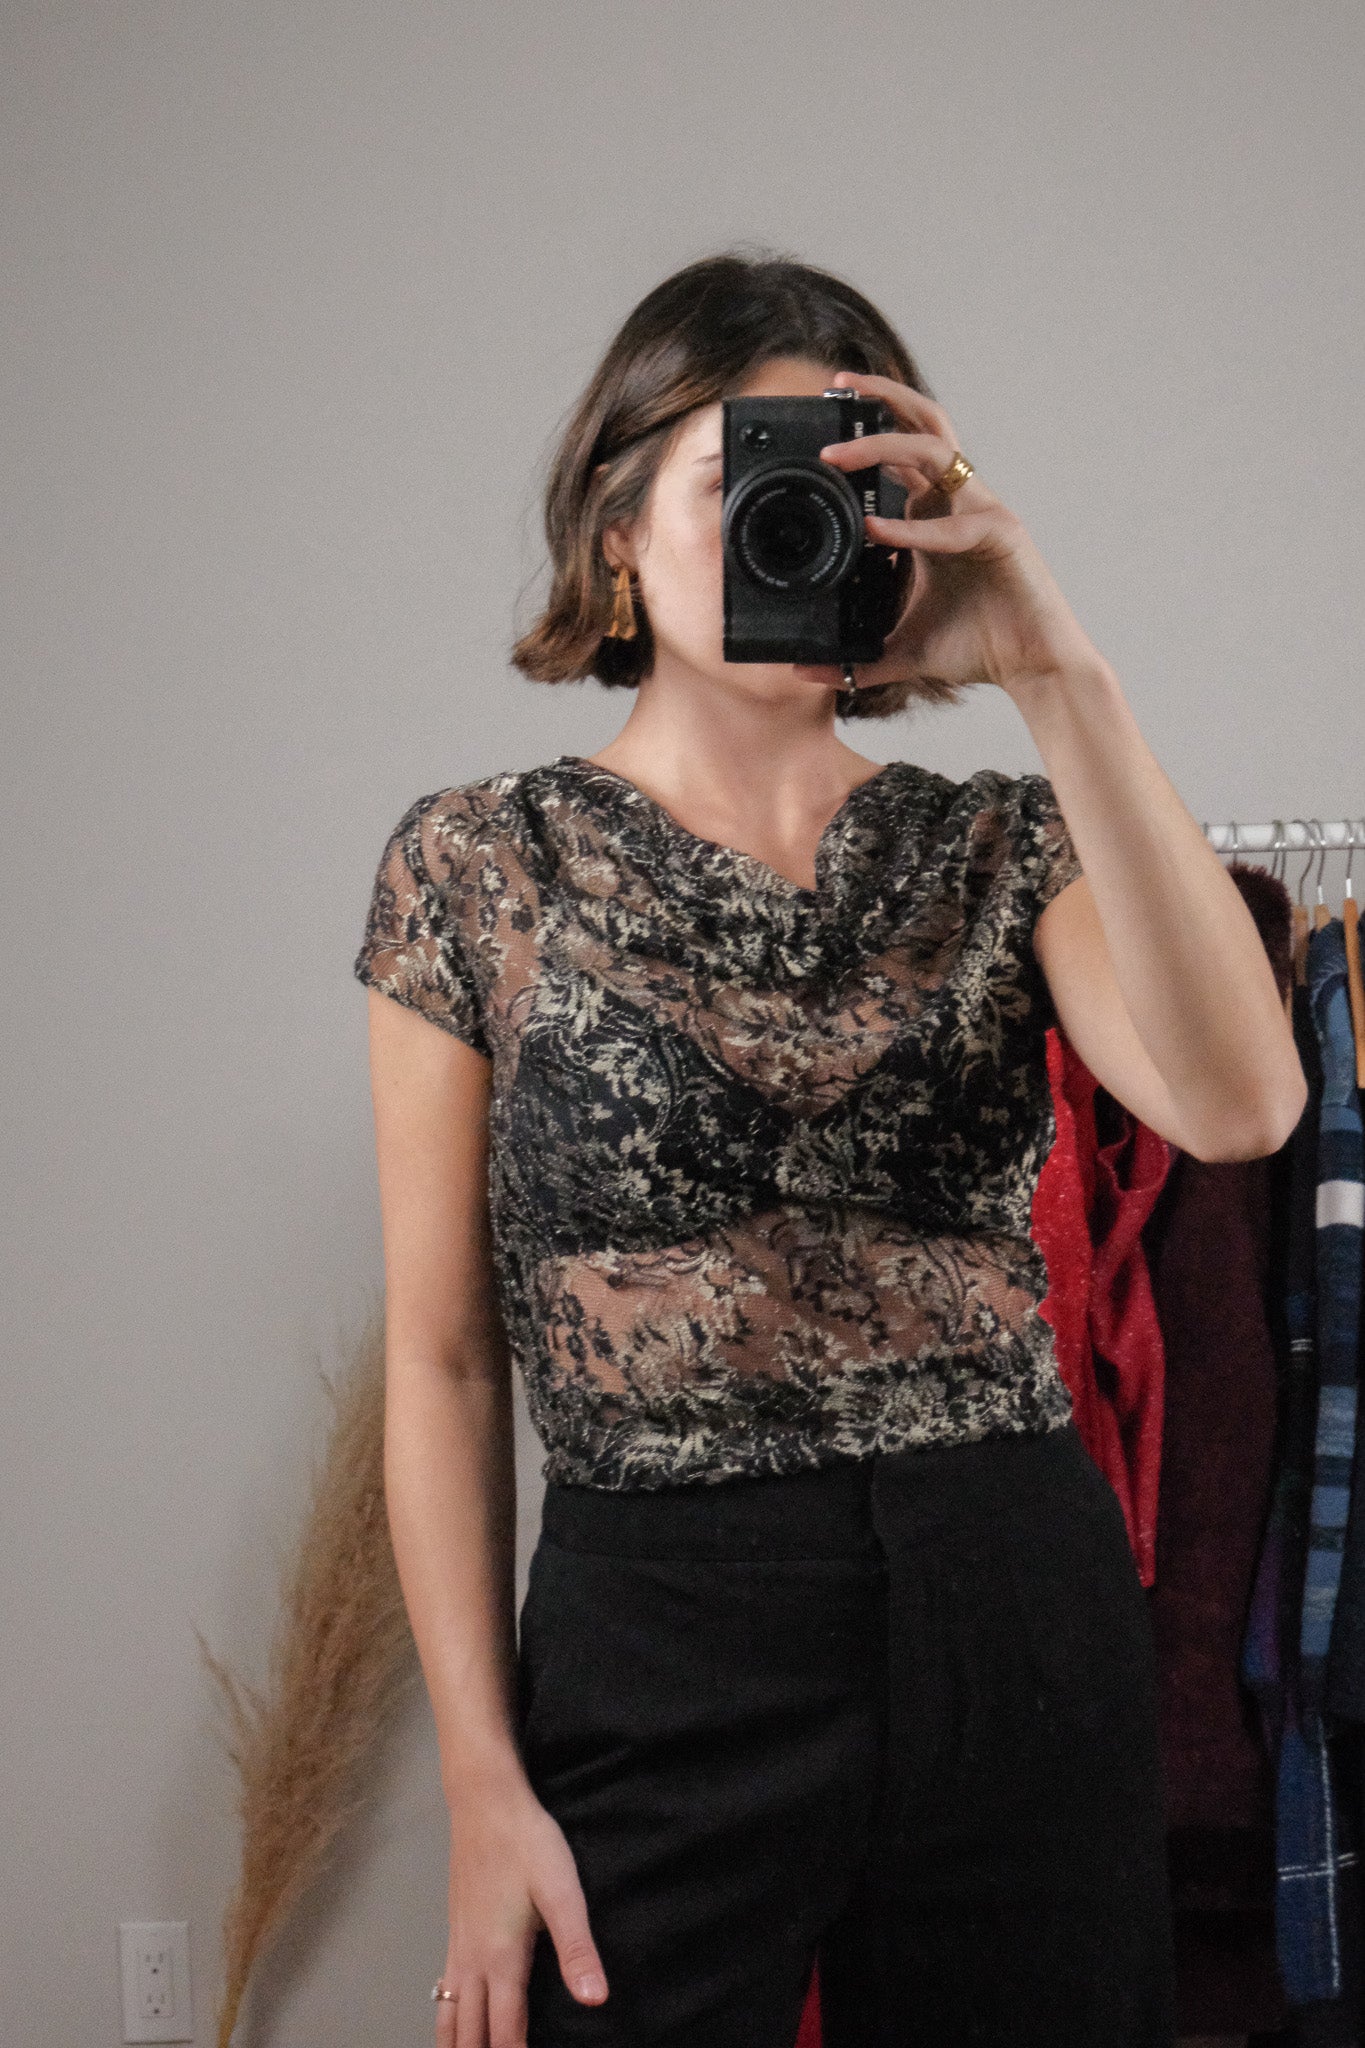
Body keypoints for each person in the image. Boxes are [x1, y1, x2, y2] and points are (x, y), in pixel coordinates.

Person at [353, 250, 1306, 2048]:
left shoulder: (1004, 843)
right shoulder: (477, 865)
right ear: (616, 536)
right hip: (661, 1621)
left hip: (1010, 1598)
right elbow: (443, 1356)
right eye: (744, 483)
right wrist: (481, 1783)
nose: (796, 526)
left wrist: (1054, 670)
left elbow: (1241, 1108)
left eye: (851, 492)